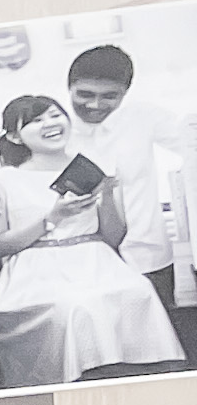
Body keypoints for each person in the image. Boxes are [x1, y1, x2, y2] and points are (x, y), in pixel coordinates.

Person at [0, 94, 180, 387]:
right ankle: (82, 390)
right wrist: (51, 218)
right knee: (77, 306)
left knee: (138, 292)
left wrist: (108, 193)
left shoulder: (90, 167)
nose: (50, 123)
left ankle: (143, 388)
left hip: (97, 262)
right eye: (36, 120)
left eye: (55, 115)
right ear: (14, 136)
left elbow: (112, 238)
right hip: (36, 273)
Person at [65, 42, 197, 363]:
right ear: (68, 87)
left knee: (159, 352)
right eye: (84, 94)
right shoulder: (54, 127)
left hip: (147, 256)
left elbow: (189, 140)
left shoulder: (143, 118)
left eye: (109, 96)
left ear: (125, 93)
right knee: (100, 353)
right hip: (83, 264)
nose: (95, 105)